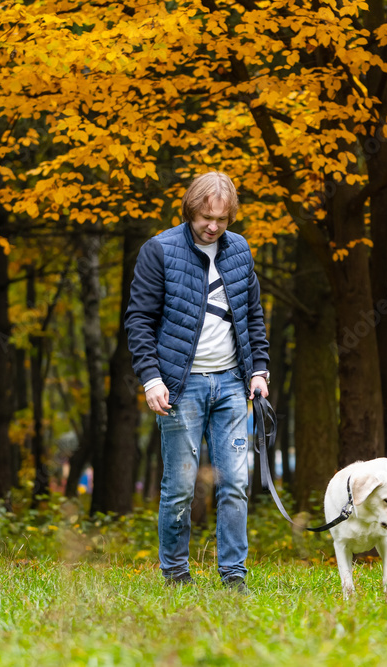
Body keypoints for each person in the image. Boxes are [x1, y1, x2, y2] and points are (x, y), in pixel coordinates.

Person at [125, 171, 270, 592]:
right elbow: (139, 320)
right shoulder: (159, 250)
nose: (213, 226)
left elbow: (253, 316)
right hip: (179, 386)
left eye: (222, 219)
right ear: (191, 210)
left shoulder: (240, 250)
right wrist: (151, 378)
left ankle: (234, 577)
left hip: (230, 383)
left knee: (235, 483)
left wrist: (258, 370)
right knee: (180, 487)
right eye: (206, 217)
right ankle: (175, 575)